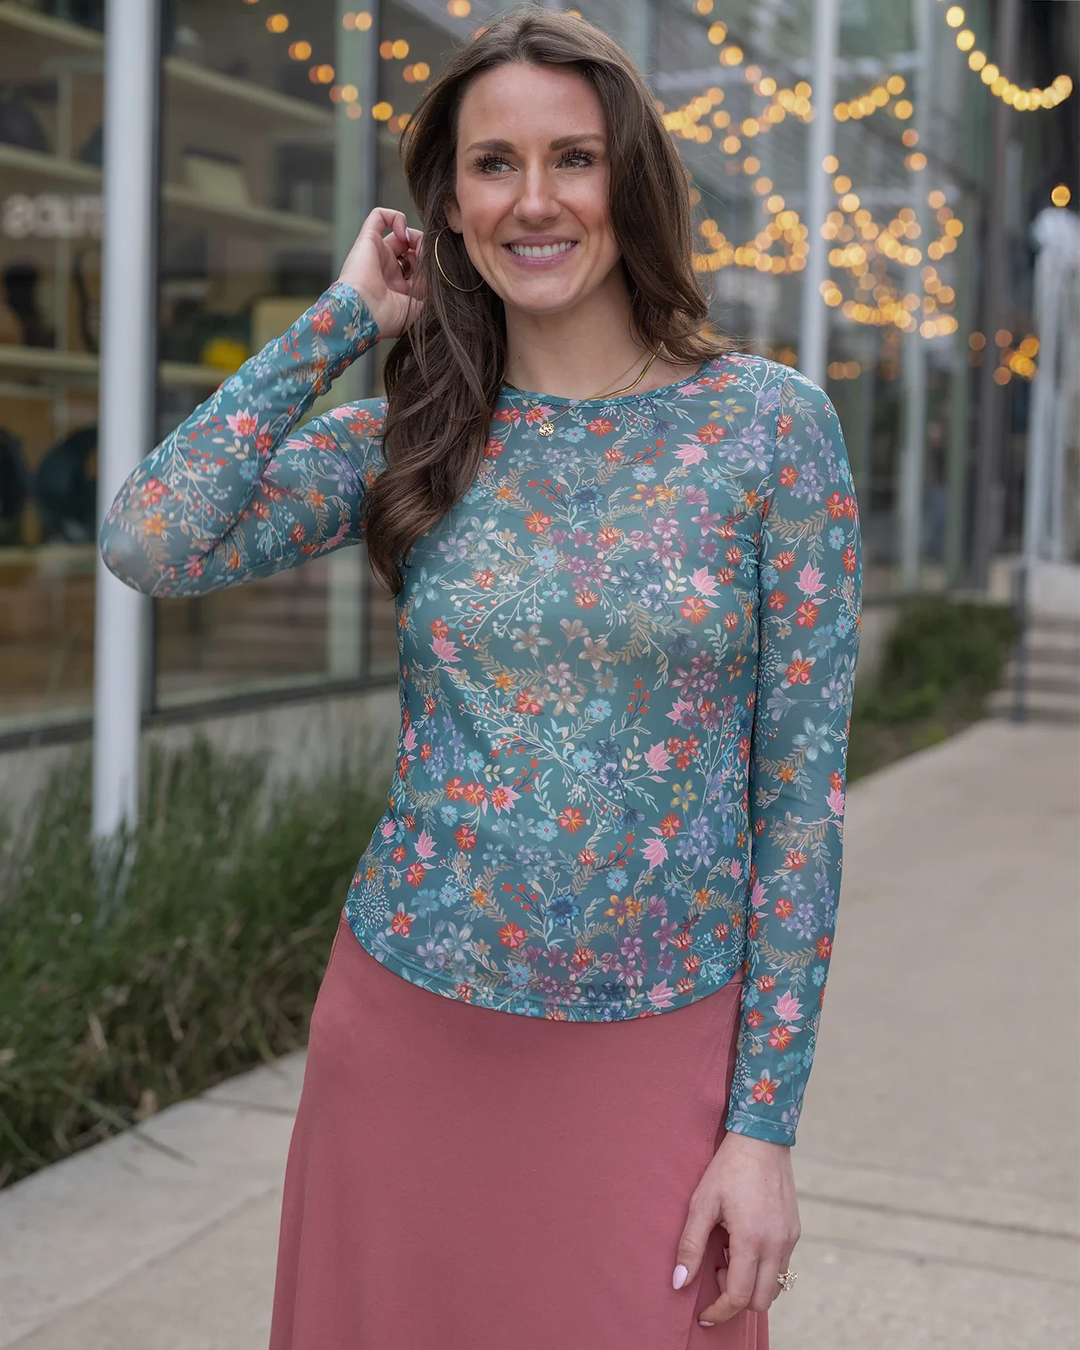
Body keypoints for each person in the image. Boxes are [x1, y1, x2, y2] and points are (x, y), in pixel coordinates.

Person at [99, 8, 862, 1347]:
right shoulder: (412, 436)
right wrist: (345, 316)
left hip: (657, 1040)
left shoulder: (767, 431)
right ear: (449, 206)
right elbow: (150, 538)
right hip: (409, 1023)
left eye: (574, 158)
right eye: (494, 164)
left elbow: (799, 807)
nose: (535, 200)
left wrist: (764, 1125)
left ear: (631, 179)